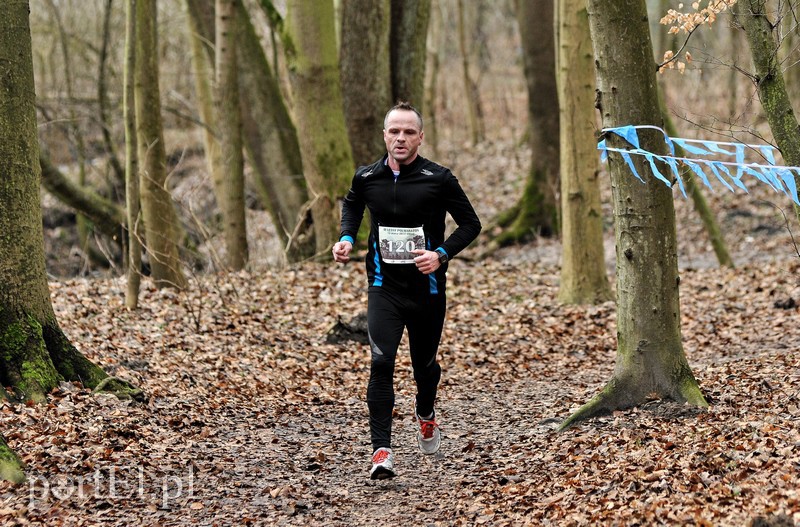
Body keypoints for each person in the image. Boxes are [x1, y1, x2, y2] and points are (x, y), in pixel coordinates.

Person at [332, 102, 481, 480]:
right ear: (384, 135)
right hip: (384, 289)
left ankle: (425, 412)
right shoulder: (366, 177)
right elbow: (352, 204)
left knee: (424, 368)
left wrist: (441, 254)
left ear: (420, 137)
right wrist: (347, 237)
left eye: (408, 132)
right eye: (394, 131)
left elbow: (470, 224)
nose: (400, 138)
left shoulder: (439, 178)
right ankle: (381, 451)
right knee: (381, 363)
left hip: (427, 291)